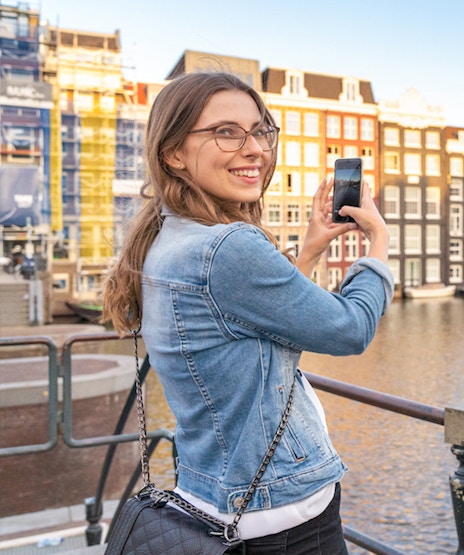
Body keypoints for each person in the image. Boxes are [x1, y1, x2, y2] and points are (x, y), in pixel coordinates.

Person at [102, 71, 393, 554]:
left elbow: (256, 328)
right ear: (173, 153)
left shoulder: (165, 237)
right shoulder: (228, 247)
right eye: (226, 132)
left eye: (260, 130)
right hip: (282, 515)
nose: (255, 148)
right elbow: (351, 330)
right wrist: (379, 243)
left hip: (212, 493)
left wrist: (310, 251)